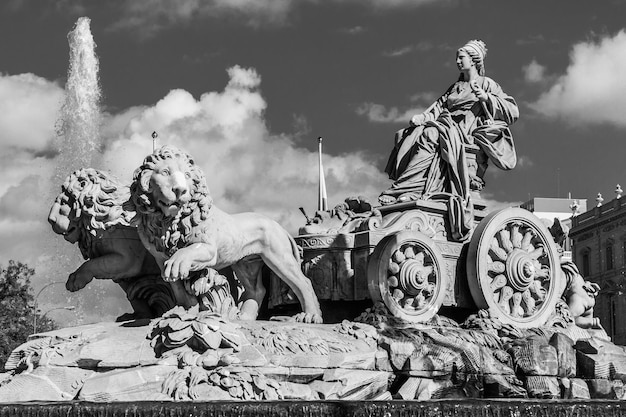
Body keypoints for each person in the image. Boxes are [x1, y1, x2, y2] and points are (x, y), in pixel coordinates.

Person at [379, 40, 519, 240]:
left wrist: (488, 98)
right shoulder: (455, 87)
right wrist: (423, 118)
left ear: (474, 60)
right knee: (412, 134)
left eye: (461, 57)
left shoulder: (487, 84)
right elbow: (437, 109)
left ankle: (406, 188)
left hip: (465, 136)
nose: (457, 61)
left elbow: (513, 111)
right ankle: (410, 188)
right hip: (447, 127)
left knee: (431, 135)